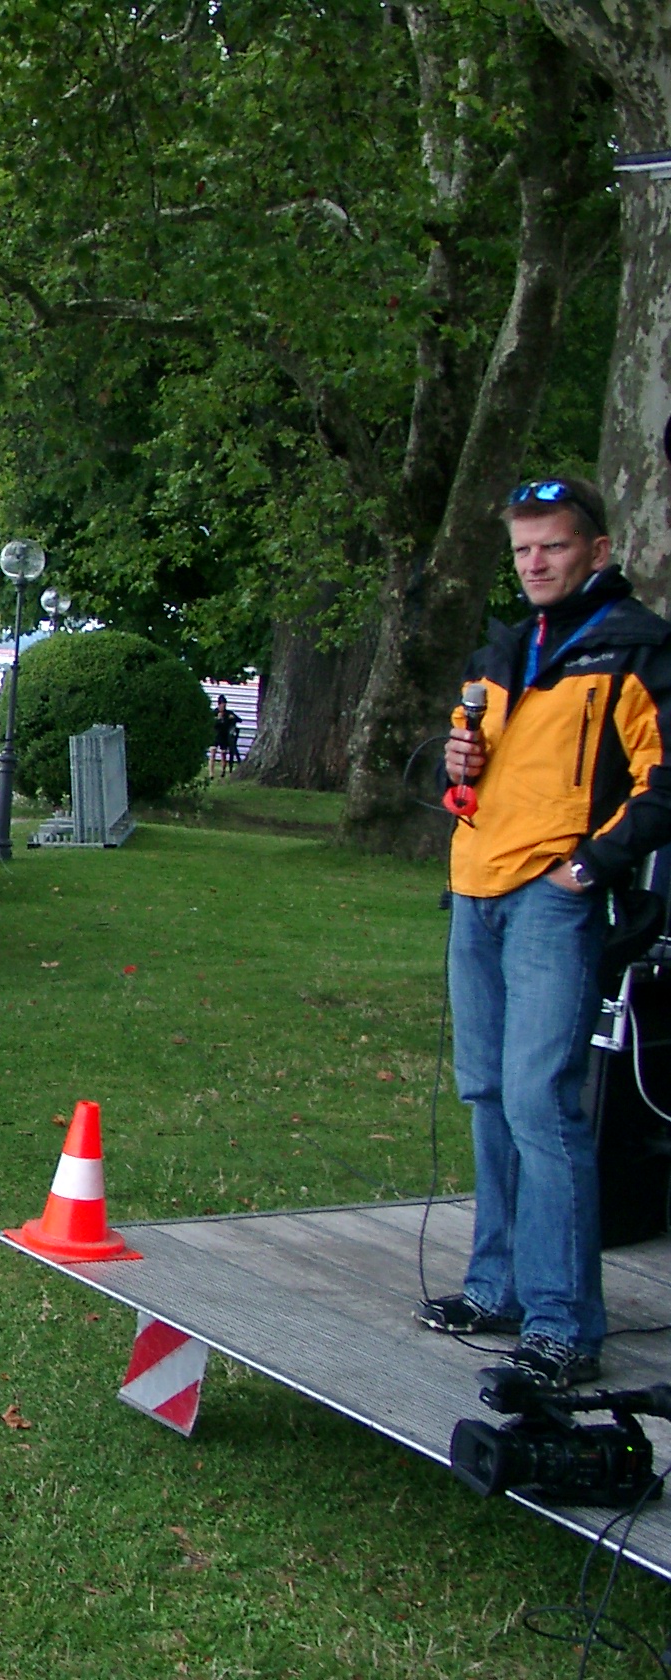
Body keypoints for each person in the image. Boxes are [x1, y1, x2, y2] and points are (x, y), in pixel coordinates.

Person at [424, 475, 671, 1391]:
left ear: (597, 551)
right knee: (489, 1095)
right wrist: (459, 763)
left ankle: (564, 1323)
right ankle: (496, 1289)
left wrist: (590, 867)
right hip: (476, 886)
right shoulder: (503, 649)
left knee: (541, 1103)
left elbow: (663, 782)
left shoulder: (634, 647)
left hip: (552, 897)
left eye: (554, 546)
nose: (535, 563)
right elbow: (470, 769)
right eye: (523, 549)